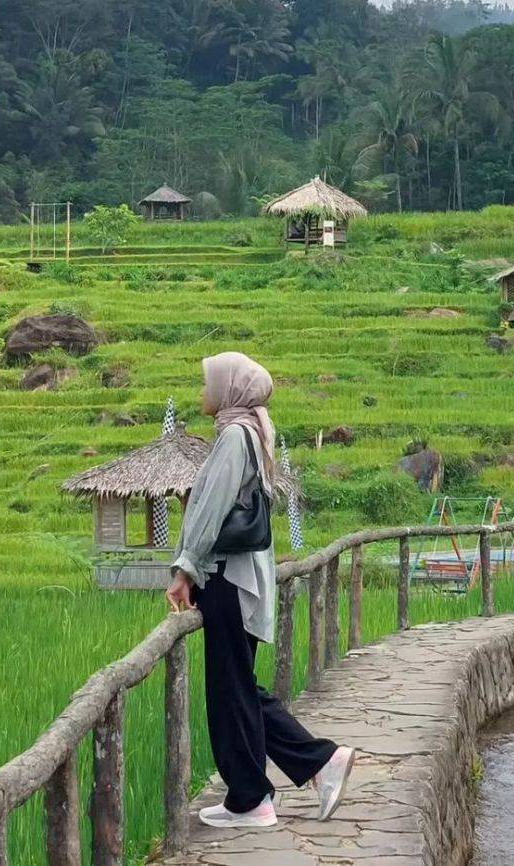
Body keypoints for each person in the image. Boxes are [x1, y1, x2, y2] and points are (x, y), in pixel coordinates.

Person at [166, 350, 355, 829]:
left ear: (230, 388)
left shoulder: (234, 436)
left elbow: (209, 509)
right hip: (238, 579)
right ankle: (308, 767)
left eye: (208, 382)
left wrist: (185, 569)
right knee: (240, 688)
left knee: (231, 691)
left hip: (227, 580)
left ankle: (253, 799)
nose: (202, 392)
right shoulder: (250, 431)